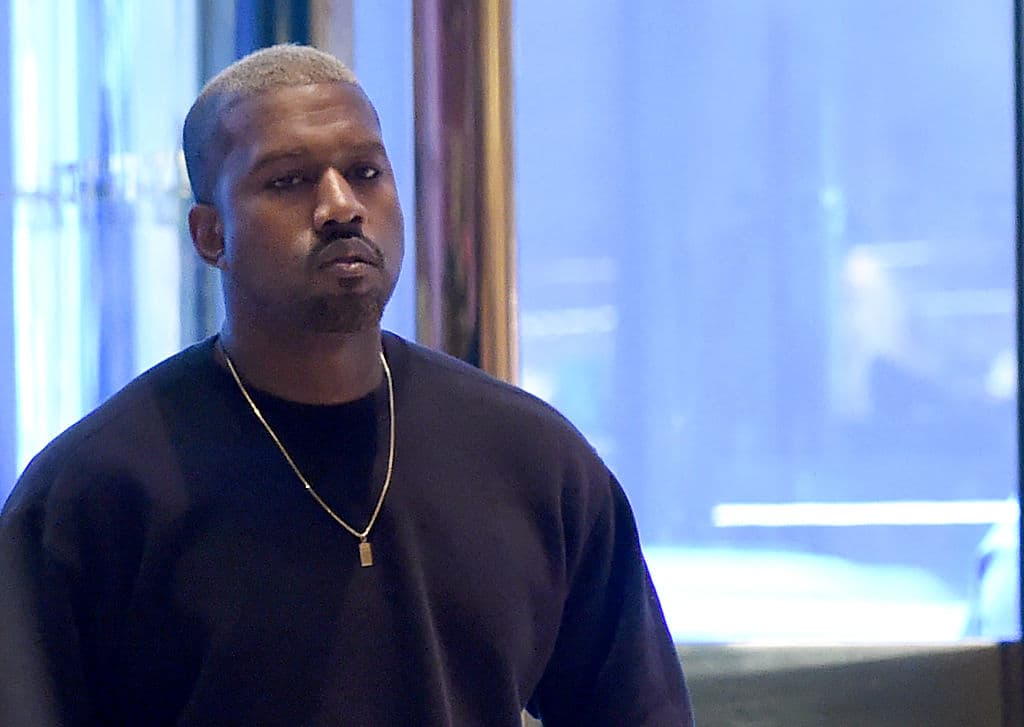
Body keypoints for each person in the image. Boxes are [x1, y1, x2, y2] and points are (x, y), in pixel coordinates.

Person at [0, 44, 693, 726]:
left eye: (365, 172)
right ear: (211, 235)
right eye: (289, 181)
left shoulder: (533, 460)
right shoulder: (95, 491)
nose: (340, 206)